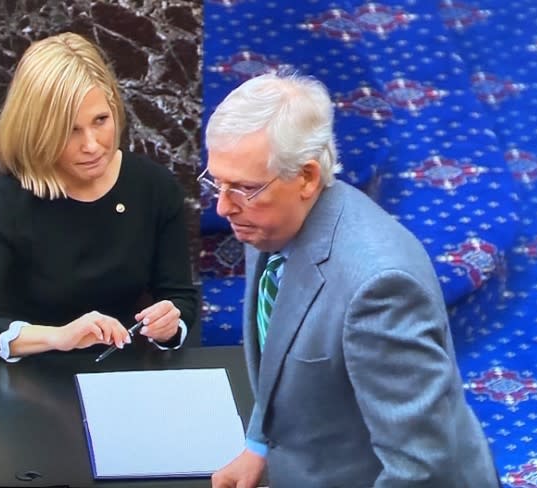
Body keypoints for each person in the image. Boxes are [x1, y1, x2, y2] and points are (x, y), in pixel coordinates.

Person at [205, 73, 500, 487]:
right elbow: (283, 358)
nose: (222, 206)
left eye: (241, 188)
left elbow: (423, 468)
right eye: (217, 182)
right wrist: (258, 445)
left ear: (306, 177)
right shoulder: (268, 219)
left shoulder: (380, 289)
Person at [0, 32, 198, 361]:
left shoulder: (154, 187)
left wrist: (170, 324)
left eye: (101, 121)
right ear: (39, 130)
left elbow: (180, 297)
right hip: (26, 378)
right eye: (70, 129)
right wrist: (58, 337)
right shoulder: (7, 201)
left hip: (113, 375)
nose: (92, 145)